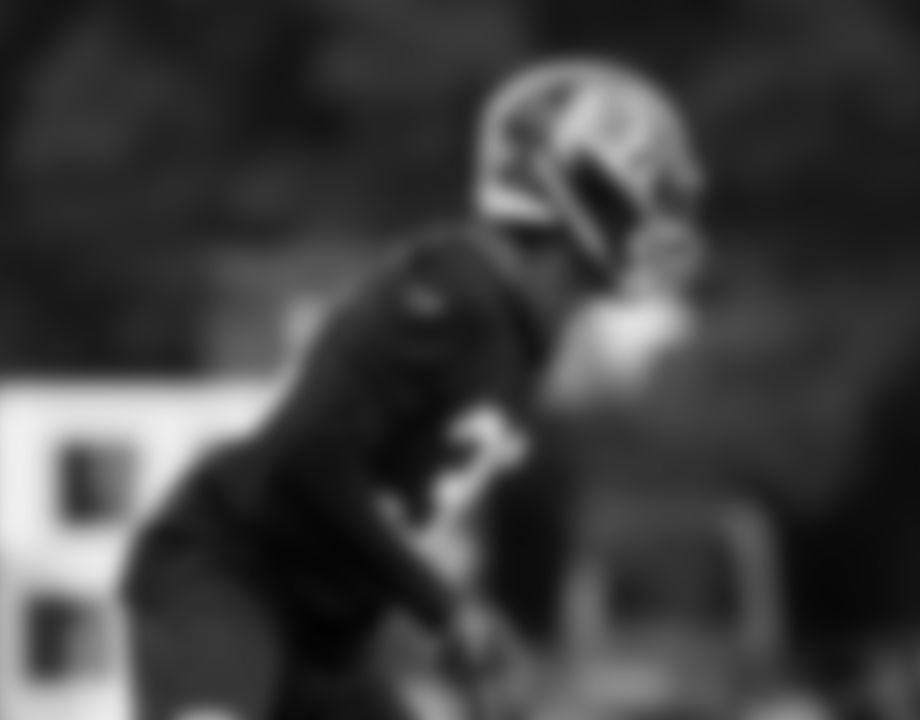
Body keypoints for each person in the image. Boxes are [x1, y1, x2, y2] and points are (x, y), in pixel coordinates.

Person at [121, 57, 706, 720]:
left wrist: (448, 626)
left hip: (328, 636)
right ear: (569, 188)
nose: (645, 224)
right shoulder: (455, 289)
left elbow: (379, 520)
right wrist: (445, 609)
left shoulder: (523, 338)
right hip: (229, 576)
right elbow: (308, 459)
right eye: (634, 200)